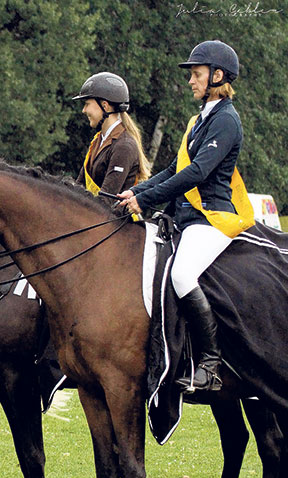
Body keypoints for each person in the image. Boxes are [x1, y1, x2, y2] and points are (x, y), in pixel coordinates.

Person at [119, 40, 250, 393]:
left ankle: (210, 363)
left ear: (217, 76)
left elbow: (196, 175)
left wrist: (147, 201)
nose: (191, 81)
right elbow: (175, 168)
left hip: (212, 218)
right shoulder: (199, 120)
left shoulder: (226, 121)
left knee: (181, 274)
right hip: (186, 218)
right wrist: (138, 192)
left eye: (196, 75)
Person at [72, 72, 150, 199]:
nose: (84, 110)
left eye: (87, 104)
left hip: (114, 217)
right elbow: (79, 186)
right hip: (93, 214)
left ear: (105, 106)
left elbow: (107, 199)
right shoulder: (98, 140)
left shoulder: (124, 146)